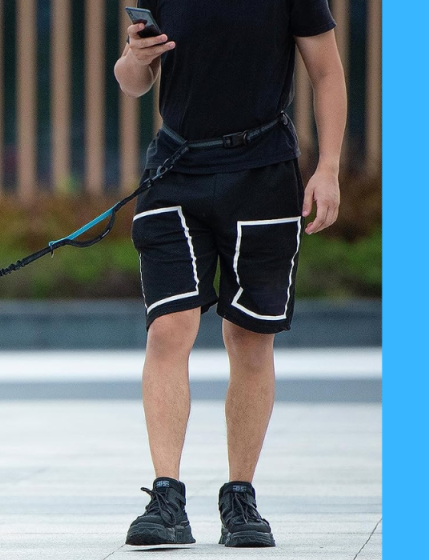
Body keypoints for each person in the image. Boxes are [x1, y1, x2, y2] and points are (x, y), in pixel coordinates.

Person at [113, 0, 346, 548]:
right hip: (175, 168)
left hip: (262, 171)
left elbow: (327, 71)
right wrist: (135, 56)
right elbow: (132, 82)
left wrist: (329, 168)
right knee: (169, 328)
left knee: (249, 338)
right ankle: (166, 496)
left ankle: (240, 496)